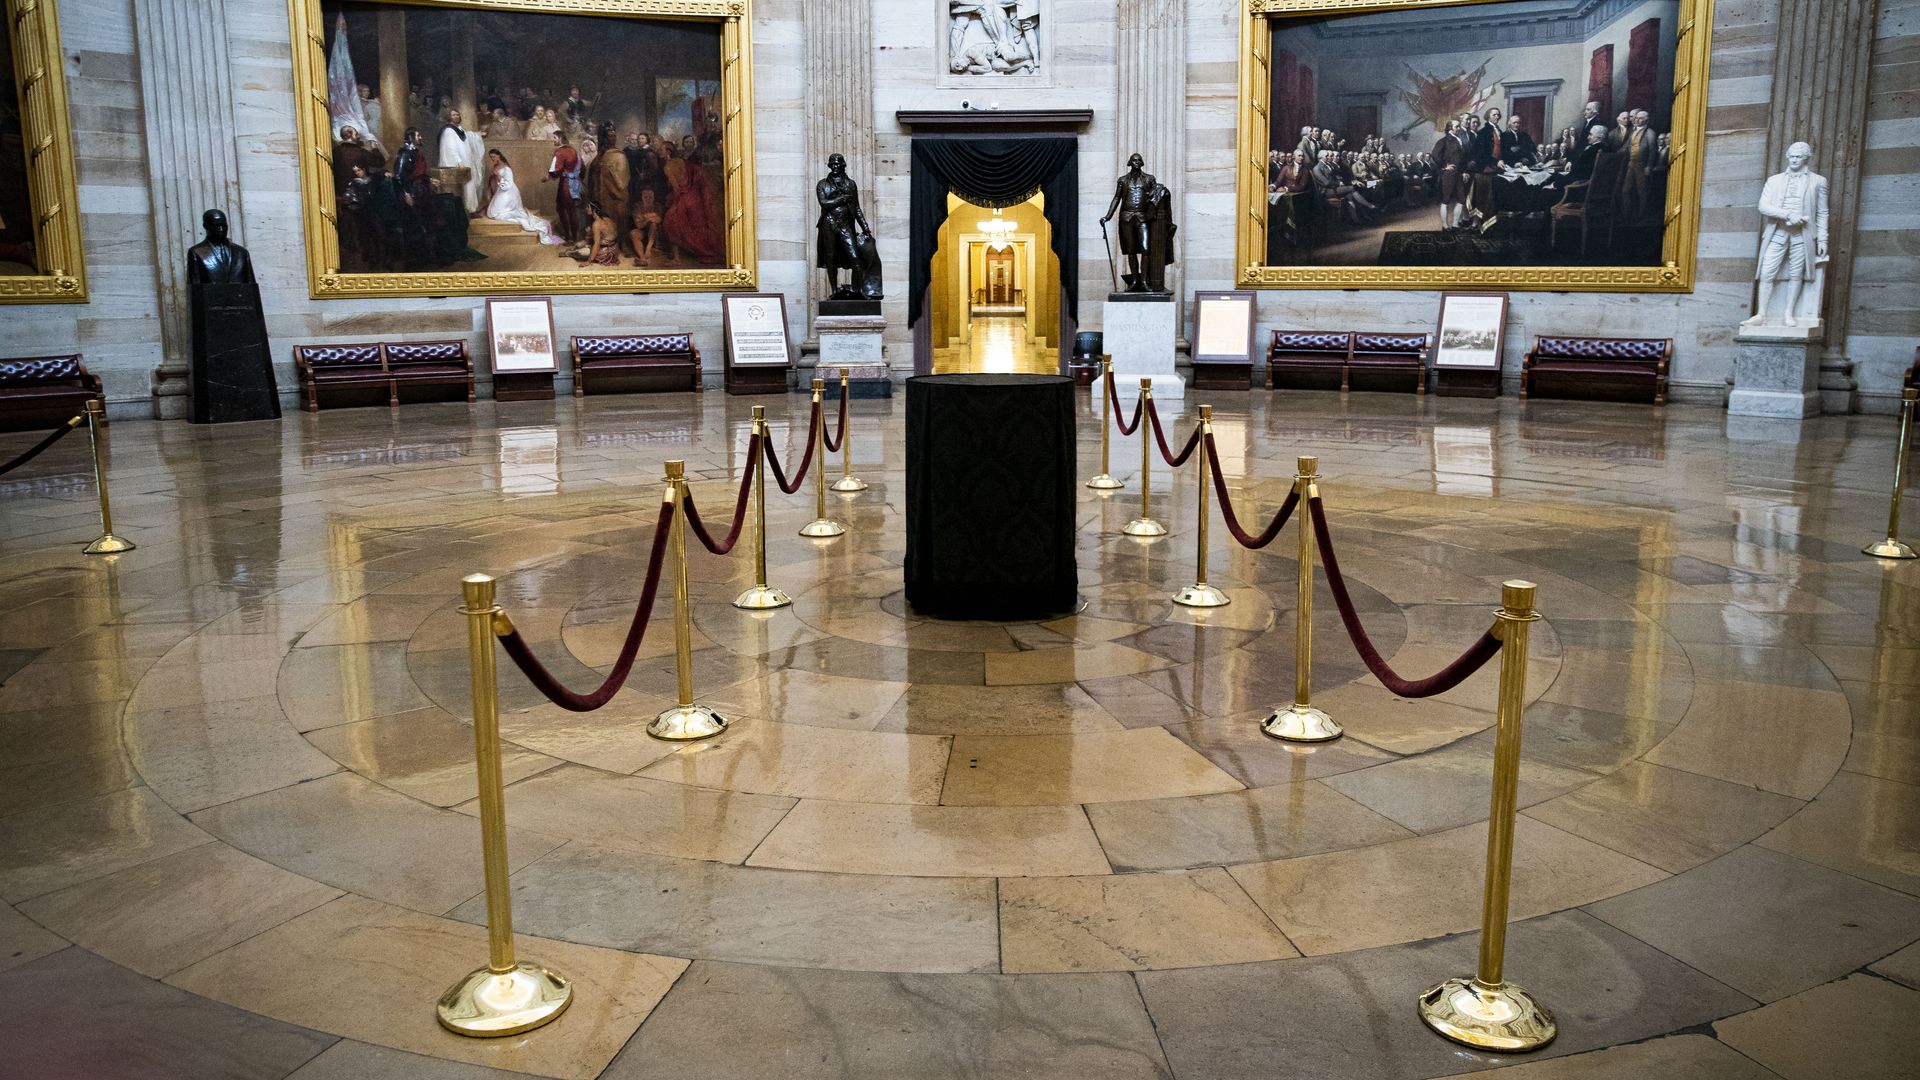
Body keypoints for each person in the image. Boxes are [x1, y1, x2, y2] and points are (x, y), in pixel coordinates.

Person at [1742, 141, 1828, 328]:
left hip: (1802, 234)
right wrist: (1788, 214)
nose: (1794, 160)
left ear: (1806, 159)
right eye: (1792, 156)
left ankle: (1789, 312)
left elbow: (1822, 212)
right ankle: (1761, 313)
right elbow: (1763, 206)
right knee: (1766, 272)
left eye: (1799, 157)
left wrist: (1822, 239)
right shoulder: (1774, 180)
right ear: (1787, 157)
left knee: (1796, 274)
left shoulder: (1818, 181)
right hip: (1778, 232)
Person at [481, 149, 563, 245]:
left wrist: (498, 177)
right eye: (491, 157)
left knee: (497, 213)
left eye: (494, 156)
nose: (492, 159)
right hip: (501, 190)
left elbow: (508, 184)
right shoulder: (496, 166)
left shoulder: (507, 169)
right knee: (492, 212)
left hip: (508, 192)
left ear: (499, 156)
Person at [437, 110, 486, 214]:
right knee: (462, 188)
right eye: (453, 115)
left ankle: (470, 210)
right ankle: (465, 211)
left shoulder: (459, 129)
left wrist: (478, 135)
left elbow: (467, 136)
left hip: (466, 163)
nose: (456, 116)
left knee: (468, 186)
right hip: (458, 165)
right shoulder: (448, 131)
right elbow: (451, 148)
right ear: (449, 117)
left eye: (458, 114)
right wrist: (459, 162)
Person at [544, 130, 584, 243]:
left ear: (560, 138)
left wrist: (547, 177)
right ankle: (575, 237)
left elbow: (555, 170)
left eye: (555, 138)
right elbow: (582, 169)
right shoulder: (573, 150)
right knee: (572, 211)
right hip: (575, 183)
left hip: (565, 185)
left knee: (562, 209)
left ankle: (568, 237)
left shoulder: (560, 152)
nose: (553, 140)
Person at [1618, 110, 1656, 217]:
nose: (1636, 119)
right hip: (1631, 164)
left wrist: (1649, 166)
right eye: (1636, 117)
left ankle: (1642, 215)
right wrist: (1611, 155)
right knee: (1625, 190)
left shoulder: (1650, 133)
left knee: (1642, 191)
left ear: (1646, 120)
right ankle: (1625, 214)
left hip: (1642, 165)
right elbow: (1625, 148)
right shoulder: (1633, 132)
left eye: (1640, 118)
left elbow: (1653, 151)